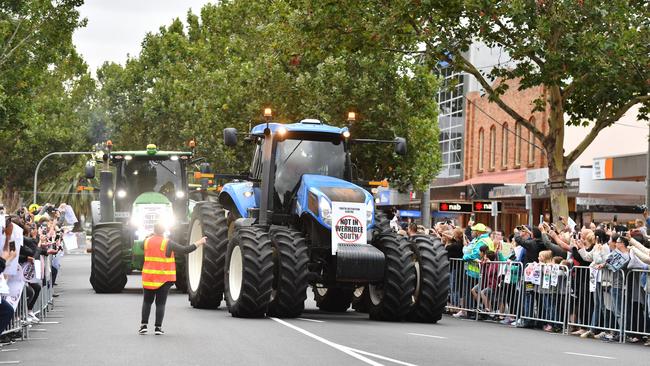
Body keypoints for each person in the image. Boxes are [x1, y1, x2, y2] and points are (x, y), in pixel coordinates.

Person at [139, 222, 206, 335]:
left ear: (154, 230)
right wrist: (200, 242)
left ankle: (143, 326)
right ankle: (158, 328)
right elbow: (185, 249)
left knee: (147, 301)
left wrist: (149, 236)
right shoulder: (167, 243)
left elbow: (142, 244)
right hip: (164, 279)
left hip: (149, 277)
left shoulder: (146, 241)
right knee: (160, 304)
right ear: (164, 231)